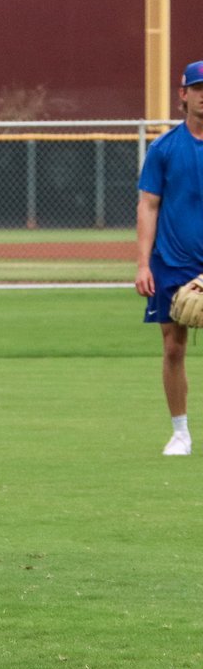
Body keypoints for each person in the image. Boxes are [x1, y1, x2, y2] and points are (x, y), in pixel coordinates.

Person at [135, 60, 203, 457]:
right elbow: (148, 205)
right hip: (173, 262)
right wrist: (143, 263)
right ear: (184, 94)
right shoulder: (164, 148)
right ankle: (181, 433)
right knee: (174, 347)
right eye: (198, 88)